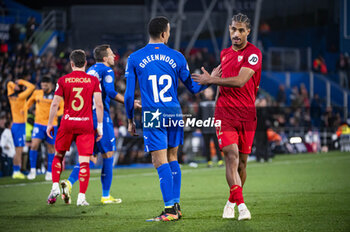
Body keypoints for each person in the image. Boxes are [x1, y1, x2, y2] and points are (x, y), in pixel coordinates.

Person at [124, 16, 208, 222]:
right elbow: (194, 88)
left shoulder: (134, 58)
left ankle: (170, 209)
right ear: (163, 34)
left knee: (158, 160)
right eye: (169, 32)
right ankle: (176, 205)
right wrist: (210, 80)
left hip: (153, 113)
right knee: (172, 158)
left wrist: (130, 119)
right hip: (174, 112)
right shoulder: (177, 56)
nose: (169, 35)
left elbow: (128, 96)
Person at [193, 13, 262, 220]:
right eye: (233, 29)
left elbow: (241, 81)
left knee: (241, 163)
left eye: (241, 30)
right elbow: (219, 84)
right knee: (230, 156)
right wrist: (213, 85)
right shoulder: (224, 54)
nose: (236, 34)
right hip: (224, 114)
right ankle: (242, 206)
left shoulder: (254, 53)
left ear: (248, 31)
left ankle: (231, 200)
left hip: (247, 115)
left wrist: (212, 80)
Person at [62, 44, 140, 205]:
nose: (114, 57)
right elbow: (110, 92)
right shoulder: (107, 70)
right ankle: (105, 195)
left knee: (91, 156)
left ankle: (69, 182)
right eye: (111, 55)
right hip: (99, 117)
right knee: (108, 156)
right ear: (105, 58)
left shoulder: (90, 71)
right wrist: (129, 101)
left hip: (84, 116)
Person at [46, 49, 103, 206]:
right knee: (84, 162)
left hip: (67, 122)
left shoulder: (63, 80)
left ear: (71, 64)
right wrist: (99, 126)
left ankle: (55, 187)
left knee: (58, 156)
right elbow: (98, 104)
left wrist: (50, 123)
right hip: (85, 123)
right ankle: (81, 198)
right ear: (85, 63)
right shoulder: (93, 81)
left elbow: (55, 103)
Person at [26, 76, 64, 181]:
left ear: (51, 85)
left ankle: (49, 172)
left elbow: (62, 108)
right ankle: (32, 170)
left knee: (51, 148)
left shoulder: (57, 95)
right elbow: (29, 103)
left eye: (45, 85)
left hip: (52, 124)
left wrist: (56, 114)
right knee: (34, 145)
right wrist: (25, 110)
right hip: (38, 124)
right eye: (42, 85)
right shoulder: (37, 93)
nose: (43, 87)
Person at [7, 78, 35, 179]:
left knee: (18, 149)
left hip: (16, 124)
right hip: (20, 125)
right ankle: (16, 171)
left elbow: (8, 84)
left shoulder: (11, 95)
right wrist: (21, 81)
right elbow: (32, 87)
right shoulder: (21, 97)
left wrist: (14, 84)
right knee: (19, 150)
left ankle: (16, 170)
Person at [198, 87, 223, 167]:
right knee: (207, 146)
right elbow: (199, 116)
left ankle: (220, 161)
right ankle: (209, 162)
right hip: (205, 128)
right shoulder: (201, 103)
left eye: (209, 91)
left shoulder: (216, 101)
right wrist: (198, 127)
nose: (207, 93)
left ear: (213, 92)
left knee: (218, 145)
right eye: (206, 91)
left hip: (216, 128)